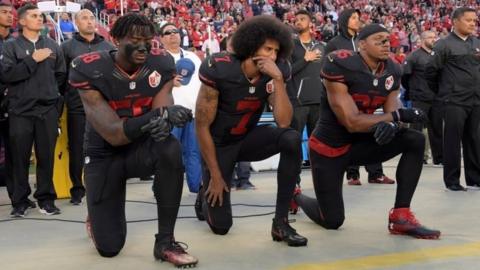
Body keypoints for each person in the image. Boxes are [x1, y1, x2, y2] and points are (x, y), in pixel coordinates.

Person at [68, 13, 198, 267]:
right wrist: (159, 116)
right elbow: (114, 134)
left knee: (170, 147)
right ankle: (97, 216)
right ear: (115, 39)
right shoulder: (88, 67)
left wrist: (165, 121)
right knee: (109, 248)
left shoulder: (160, 63)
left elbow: (162, 106)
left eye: (147, 40)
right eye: (135, 40)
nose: (143, 46)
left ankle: (165, 241)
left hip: (140, 147)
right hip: (104, 152)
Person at [294, 24, 441, 239]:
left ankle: (400, 215)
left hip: (360, 144)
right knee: (332, 221)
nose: (386, 43)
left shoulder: (392, 69)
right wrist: (394, 118)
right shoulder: (340, 63)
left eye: (387, 39)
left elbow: (393, 112)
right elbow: (351, 121)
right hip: (330, 148)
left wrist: (391, 125)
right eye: (379, 40)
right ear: (361, 45)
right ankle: (296, 196)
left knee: (414, 139)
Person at [194, 15, 307, 247]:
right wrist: (215, 176)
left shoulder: (277, 71)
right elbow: (202, 126)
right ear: (251, 45)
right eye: (267, 49)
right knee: (221, 227)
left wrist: (277, 80)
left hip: (246, 138)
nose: (273, 56)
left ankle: (281, 222)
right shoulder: (220, 67)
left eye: (276, 51)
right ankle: (205, 190)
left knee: (291, 138)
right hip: (219, 145)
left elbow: (284, 122)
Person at [1, 4, 66, 217]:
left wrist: (55, 103)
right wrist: (32, 60)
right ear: (21, 21)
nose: (40, 19)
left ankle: (46, 199)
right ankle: (19, 201)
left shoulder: (53, 46)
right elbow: (7, 75)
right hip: (20, 111)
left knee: (46, 157)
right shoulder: (10, 46)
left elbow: (61, 76)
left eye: (40, 15)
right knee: (19, 159)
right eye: (34, 16)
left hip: (47, 110)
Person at [325, 9, 394, 186]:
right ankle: (353, 174)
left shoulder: (367, 39)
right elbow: (327, 73)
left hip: (370, 92)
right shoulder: (335, 43)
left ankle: (375, 173)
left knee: (375, 128)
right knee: (352, 127)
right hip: (346, 95)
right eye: (353, 18)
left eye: (358, 18)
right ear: (344, 20)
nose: (357, 21)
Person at [60, 9, 115, 205]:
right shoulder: (67, 47)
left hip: (104, 108)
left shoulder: (108, 46)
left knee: (105, 147)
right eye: (84, 18)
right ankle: (77, 189)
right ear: (76, 23)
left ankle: (105, 185)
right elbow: (61, 77)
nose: (90, 21)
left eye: (92, 18)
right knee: (77, 148)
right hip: (77, 106)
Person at [425, 7, 480, 191]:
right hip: (453, 100)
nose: (473, 23)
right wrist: (444, 92)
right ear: (455, 22)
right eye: (468, 20)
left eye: (474, 20)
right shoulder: (444, 45)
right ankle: (452, 181)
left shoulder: (476, 43)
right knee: (452, 141)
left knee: (474, 139)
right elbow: (431, 72)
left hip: (475, 99)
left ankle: (474, 179)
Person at [159, 22, 202, 193]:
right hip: (170, 114)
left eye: (175, 31)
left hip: (192, 112)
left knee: (194, 152)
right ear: (161, 39)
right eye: (167, 33)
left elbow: (203, 82)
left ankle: (196, 188)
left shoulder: (192, 57)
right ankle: (168, 188)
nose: (172, 35)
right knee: (169, 154)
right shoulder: (158, 59)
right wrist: (169, 83)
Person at [287, 10, 324, 167]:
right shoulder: (290, 47)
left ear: (310, 23)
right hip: (298, 102)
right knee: (294, 144)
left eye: (302, 19)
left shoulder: (321, 46)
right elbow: (286, 72)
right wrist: (305, 59)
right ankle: (294, 184)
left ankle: (321, 182)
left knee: (318, 145)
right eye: (296, 20)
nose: (298, 22)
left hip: (318, 101)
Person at [402, 30, 443, 165]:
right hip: (419, 97)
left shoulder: (437, 55)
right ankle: (416, 157)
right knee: (416, 129)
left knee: (437, 129)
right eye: (430, 37)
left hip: (436, 97)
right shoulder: (413, 56)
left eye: (434, 37)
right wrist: (413, 90)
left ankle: (439, 158)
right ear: (423, 39)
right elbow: (405, 77)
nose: (433, 39)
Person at [0, 3, 14, 198]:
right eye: (4, 13)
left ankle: (17, 196)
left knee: (14, 154)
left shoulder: (16, 42)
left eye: (11, 12)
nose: (10, 16)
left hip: (13, 105)